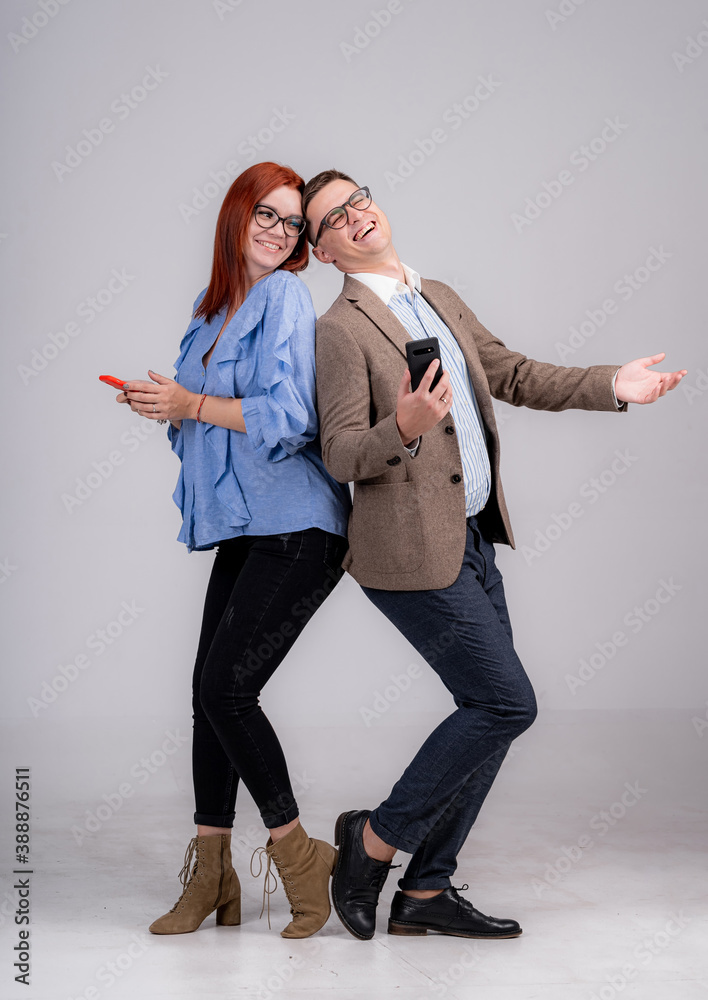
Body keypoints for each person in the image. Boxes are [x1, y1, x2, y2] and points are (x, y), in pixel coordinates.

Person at [302, 169, 686, 941]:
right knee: (505, 703)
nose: (355, 217)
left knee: (491, 713)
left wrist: (613, 384)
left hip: (474, 539)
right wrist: (404, 424)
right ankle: (371, 842)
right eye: (333, 220)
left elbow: (509, 373)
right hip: (408, 555)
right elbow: (342, 453)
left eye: (358, 200)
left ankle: (425, 893)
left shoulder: (437, 294)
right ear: (322, 253)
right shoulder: (339, 331)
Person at [116, 162, 351, 939]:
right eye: (268, 215)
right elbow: (214, 434)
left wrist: (194, 405)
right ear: (236, 214)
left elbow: (287, 419)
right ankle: (211, 871)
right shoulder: (210, 308)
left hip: (299, 529)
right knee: (205, 696)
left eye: (292, 224)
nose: (280, 233)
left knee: (225, 691)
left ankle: (299, 853)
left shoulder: (286, 295)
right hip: (246, 528)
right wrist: (169, 412)